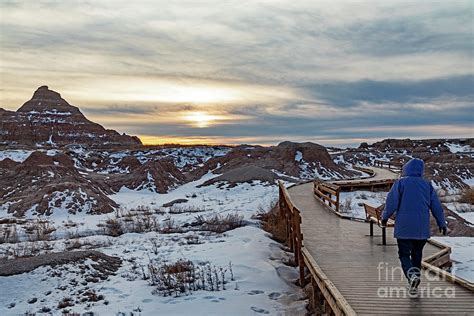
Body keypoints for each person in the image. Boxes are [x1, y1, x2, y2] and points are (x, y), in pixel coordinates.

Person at [381, 158, 447, 295]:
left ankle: (412, 277)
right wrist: (442, 223)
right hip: (421, 229)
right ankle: (414, 281)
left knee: (404, 254)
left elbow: (391, 202)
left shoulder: (400, 183)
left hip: (404, 228)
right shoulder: (427, 185)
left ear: (406, 169)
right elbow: (436, 207)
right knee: (417, 255)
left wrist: (385, 217)